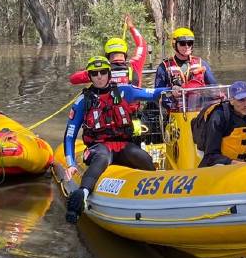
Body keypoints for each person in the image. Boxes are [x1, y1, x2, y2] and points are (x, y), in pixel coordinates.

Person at [62, 56, 178, 223]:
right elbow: (69, 135)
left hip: (123, 144)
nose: (99, 76)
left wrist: (172, 89)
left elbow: (151, 94)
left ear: (109, 74)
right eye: (94, 74)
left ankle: (159, 195)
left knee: (141, 156)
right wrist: (71, 164)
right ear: (90, 76)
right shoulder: (83, 101)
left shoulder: (124, 91)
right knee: (102, 157)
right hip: (98, 146)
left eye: (103, 72)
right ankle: (83, 193)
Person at [197, 81, 246, 167]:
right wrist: (236, 164)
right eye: (241, 100)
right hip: (221, 163)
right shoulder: (219, 117)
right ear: (232, 101)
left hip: (245, 163)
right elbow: (211, 155)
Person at [70, 14, 149, 86]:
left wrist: (89, 70)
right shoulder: (135, 64)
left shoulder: (98, 72)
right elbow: (142, 45)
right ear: (125, 54)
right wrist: (131, 27)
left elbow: (73, 79)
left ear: (107, 55)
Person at [153, 27, 218, 91]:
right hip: (174, 101)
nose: (187, 46)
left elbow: (214, 87)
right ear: (174, 45)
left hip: (197, 100)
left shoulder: (201, 63)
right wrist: (171, 90)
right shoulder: (163, 67)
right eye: (182, 43)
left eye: (190, 43)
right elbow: (157, 92)